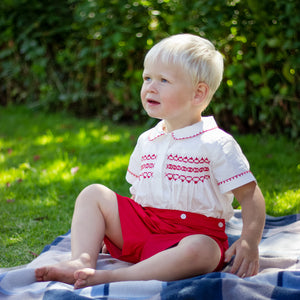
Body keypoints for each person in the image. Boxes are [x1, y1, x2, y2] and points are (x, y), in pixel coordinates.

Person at [35, 33, 266, 289]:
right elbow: (138, 195)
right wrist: (112, 229)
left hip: (191, 236)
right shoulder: (149, 139)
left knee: (205, 251)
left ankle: (113, 277)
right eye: (147, 78)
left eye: (164, 80)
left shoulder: (215, 143)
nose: (150, 87)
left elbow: (249, 195)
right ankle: (81, 261)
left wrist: (249, 241)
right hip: (144, 226)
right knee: (93, 193)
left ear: (198, 93)